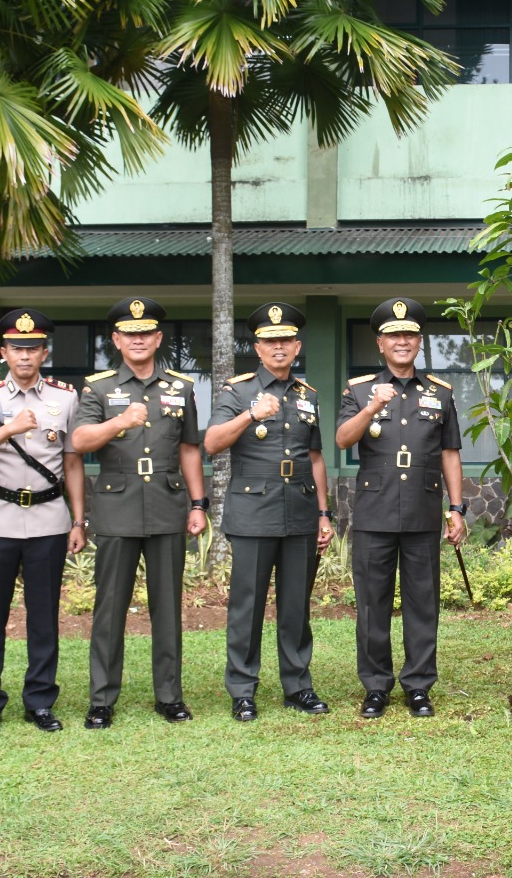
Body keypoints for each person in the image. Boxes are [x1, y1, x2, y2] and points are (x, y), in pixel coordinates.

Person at [71, 297, 207, 729]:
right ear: (116, 340)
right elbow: (80, 441)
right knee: (110, 608)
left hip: (168, 505)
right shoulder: (97, 387)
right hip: (116, 505)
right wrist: (119, 423)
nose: (138, 339)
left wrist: (198, 503)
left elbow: (189, 447)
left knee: (167, 607)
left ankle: (169, 695)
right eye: (129, 334)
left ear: (158, 338)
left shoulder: (180, 387)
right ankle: (102, 699)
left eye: (145, 333)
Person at [335, 298, 467, 719]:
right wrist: (373, 405)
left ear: (419, 342)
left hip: (422, 511)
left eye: (409, 335)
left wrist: (457, 507)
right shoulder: (358, 390)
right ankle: (375, 687)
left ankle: (418, 686)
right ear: (381, 343)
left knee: (422, 603)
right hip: (375, 512)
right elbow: (341, 439)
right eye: (394, 335)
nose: (402, 341)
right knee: (372, 603)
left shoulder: (439, 393)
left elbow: (450, 453)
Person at [0, 309, 87, 737]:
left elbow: (72, 461)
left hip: (50, 520)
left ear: (44, 352)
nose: (25, 355)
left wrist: (78, 519)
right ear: (4, 352)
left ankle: (40, 701)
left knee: (44, 618)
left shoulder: (66, 398)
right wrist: (8, 429)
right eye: (17, 348)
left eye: (33, 348)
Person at [206, 303, 334, 722]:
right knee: (248, 604)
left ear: (296, 347)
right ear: (257, 348)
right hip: (253, 511)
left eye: (285, 341)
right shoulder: (236, 391)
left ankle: (298, 685)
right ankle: (243, 690)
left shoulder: (307, 396)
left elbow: (315, 459)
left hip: (299, 511)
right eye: (269, 341)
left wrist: (323, 513)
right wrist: (250, 414)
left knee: (296, 604)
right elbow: (212, 443)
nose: (278, 348)